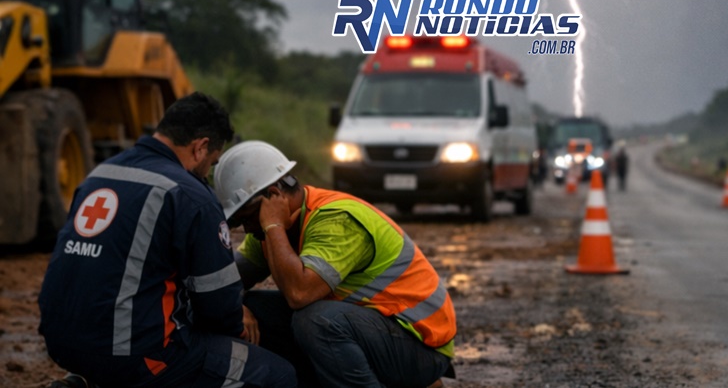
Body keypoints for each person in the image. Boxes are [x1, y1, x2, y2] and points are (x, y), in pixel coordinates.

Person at [38, 93, 297, 388]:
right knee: (277, 375)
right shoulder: (190, 195)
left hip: (61, 342)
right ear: (200, 147)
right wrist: (239, 317)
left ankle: (89, 381)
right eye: (212, 163)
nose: (207, 174)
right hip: (134, 354)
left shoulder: (101, 174)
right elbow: (218, 310)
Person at [214, 140, 457, 388]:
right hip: (375, 333)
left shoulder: (337, 219)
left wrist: (274, 226)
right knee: (253, 307)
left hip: (421, 345)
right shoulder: (266, 233)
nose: (247, 229)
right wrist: (238, 305)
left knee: (316, 320)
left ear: (274, 197)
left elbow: (300, 294)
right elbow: (224, 281)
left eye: (248, 218)